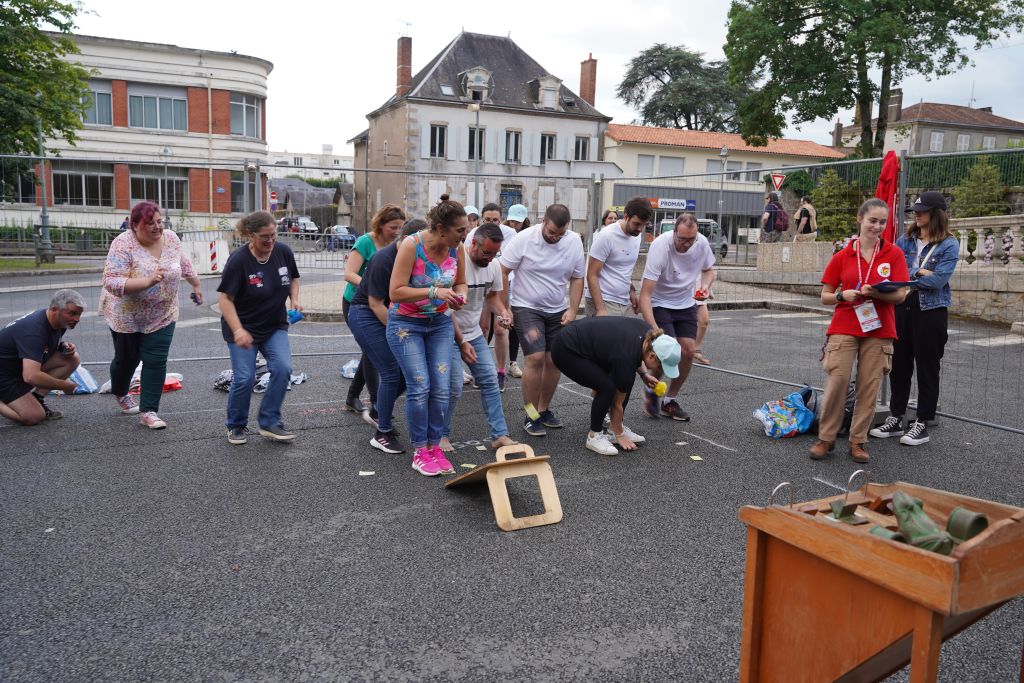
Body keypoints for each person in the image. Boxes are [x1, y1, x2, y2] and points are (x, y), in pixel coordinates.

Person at [810, 198, 910, 463]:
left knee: (869, 387)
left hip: (880, 328)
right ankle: (826, 438)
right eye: (872, 221)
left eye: (882, 222)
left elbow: (900, 296)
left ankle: (858, 441)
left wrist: (876, 292)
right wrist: (844, 295)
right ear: (860, 219)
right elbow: (825, 295)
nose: (877, 227)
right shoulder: (843, 256)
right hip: (845, 324)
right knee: (837, 381)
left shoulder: (894, 254)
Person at [100, 200, 202, 429]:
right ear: (135, 225)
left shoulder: (171, 238)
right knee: (126, 361)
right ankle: (120, 391)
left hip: (163, 313)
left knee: (156, 359)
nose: (158, 227)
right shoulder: (122, 244)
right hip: (127, 315)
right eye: (151, 223)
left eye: (160, 221)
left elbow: (183, 263)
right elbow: (111, 281)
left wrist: (196, 285)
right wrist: (146, 282)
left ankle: (149, 411)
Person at [870, 191, 959, 447]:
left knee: (927, 366)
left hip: (931, 311)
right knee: (899, 364)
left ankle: (922, 421)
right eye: (915, 211)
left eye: (922, 211)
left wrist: (909, 276)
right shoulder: (905, 239)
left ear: (936, 214)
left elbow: (939, 280)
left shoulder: (949, 244)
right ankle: (896, 417)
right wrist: (918, 272)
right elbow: (887, 269)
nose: (917, 214)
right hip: (902, 306)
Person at [388, 195, 468, 477]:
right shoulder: (412, 245)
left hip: (440, 324)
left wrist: (460, 296)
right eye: (460, 230)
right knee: (420, 386)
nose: (465, 235)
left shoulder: (456, 248)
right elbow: (395, 292)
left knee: (442, 388)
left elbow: (460, 282)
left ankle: (434, 446)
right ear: (440, 228)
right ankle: (420, 450)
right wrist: (434, 291)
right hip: (406, 324)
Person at [500, 203, 585, 437]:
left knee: (554, 359)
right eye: (551, 232)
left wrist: (573, 308)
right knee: (535, 357)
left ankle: (543, 410)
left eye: (560, 234)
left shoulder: (573, 241)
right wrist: (505, 308)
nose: (555, 237)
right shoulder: (524, 239)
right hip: (525, 307)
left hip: (557, 309)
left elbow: (578, 277)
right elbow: (503, 270)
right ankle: (530, 413)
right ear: (543, 221)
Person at [218, 211, 301, 444]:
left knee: (283, 369)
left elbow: (294, 278)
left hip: (274, 325)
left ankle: (269, 421)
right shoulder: (239, 260)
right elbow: (225, 299)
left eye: (273, 235)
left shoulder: (283, 251)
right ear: (250, 235)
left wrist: (294, 300)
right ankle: (236, 425)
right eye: (265, 237)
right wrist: (238, 330)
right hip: (242, 326)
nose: (270, 241)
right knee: (245, 377)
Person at [348, 219, 424, 454]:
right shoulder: (383, 259)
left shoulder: (416, 256)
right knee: (391, 371)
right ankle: (382, 433)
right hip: (366, 314)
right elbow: (375, 303)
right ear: (404, 240)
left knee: (406, 372)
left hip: (390, 313)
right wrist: (399, 332)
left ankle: (378, 412)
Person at [552, 317, 680, 455]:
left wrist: (644, 375)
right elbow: (617, 403)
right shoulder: (626, 356)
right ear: (652, 356)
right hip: (566, 349)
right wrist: (620, 435)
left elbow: (633, 355)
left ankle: (613, 428)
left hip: (585, 342)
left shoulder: (648, 335)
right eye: (661, 367)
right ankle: (594, 436)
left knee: (626, 378)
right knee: (606, 387)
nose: (660, 372)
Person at [442, 222, 517, 451]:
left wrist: (503, 312)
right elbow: (446, 310)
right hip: (448, 332)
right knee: (454, 386)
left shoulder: (493, 266)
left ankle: (499, 435)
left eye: (495, 254)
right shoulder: (454, 263)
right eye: (486, 252)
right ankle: (440, 435)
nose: (490, 258)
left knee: (490, 380)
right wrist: (461, 342)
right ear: (473, 244)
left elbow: (491, 297)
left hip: (472, 333)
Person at [639, 214, 716, 421]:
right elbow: (645, 293)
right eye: (682, 239)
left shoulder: (701, 243)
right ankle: (651, 388)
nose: (686, 244)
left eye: (690, 240)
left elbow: (709, 270)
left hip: (685, 302)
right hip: (659, 302)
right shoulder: (660, 246)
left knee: (689, 351)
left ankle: (669, 400)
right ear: (674, 233)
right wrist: (655, 329)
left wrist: (705, 287)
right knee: (668, 351)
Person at [342, 205, 405, 424]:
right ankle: (376, 403)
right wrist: (373, 285)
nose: (397, 232)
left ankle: (352, 397)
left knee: (370, 351)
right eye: (392, 227)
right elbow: (349, 274)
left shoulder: (400, 245)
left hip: (382, 303)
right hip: (356, 303)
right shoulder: (366, 242)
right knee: (371, 352)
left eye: (400, 227)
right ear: (380, 225)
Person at [0, 289, 84, 425]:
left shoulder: (58, 321)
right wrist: (64, 385)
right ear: (55, 310)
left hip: (17, 367)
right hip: (5, 376)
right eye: (72, 314)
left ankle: (37, 398)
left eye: (79, 314)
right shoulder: (34, 331)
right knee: (34, 416)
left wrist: (63, 345)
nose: (77, 319)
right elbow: (31, 376)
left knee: (72, 358)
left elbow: (42, 345)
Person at [584, 196, 650, 317]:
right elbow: (592, 274)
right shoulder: (606, 236)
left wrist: (631, 291)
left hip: (624, 301)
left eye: (644, 225)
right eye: (637, 224)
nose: (640, 229)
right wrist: (600, 309)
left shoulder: (636, 235)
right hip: (604, 301)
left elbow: (622, 268)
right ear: (626, 216)